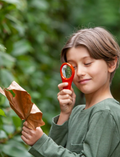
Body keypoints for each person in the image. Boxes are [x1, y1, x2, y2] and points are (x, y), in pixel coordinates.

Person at [21, 27, 120, 157]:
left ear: (111, 64)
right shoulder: (77, 112)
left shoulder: (105, 111)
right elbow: (55, 152)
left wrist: (41, 142)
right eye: (72, 67)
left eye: (87, 63)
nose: (79, 73)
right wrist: (65, 114)